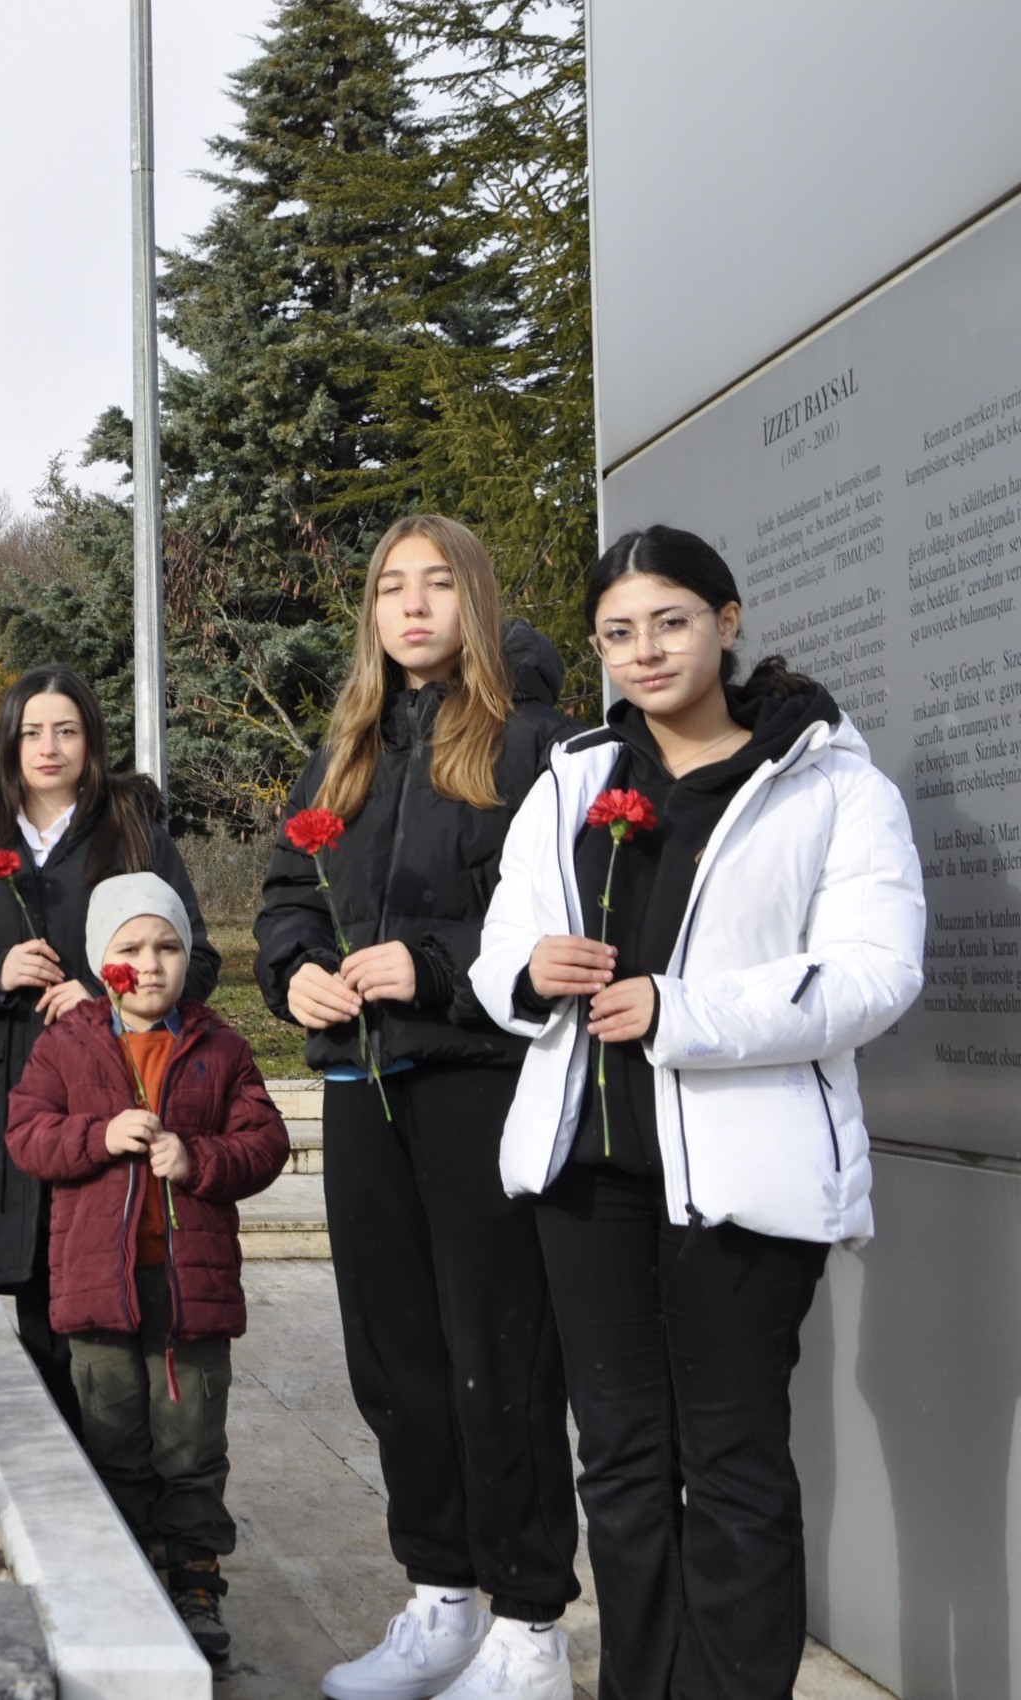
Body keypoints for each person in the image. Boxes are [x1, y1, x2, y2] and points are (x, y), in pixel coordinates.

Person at [472, 525, 924, 1699]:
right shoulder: (573, 779)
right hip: (588, 1172)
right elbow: (497, 951)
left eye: (670, 620)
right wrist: (531, 975)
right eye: (618, 632)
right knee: (619, 1465)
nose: (645, 649)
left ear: (728, 619)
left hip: (748, 1177)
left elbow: (875, 973)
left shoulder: (830, 783)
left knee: (729, 1462)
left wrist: (681, 1010)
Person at [253, 515, 585, 1699]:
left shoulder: (533, 745)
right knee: (392, 1350)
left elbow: (550, 913)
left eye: (436, 583)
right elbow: (289, 889)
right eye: (390, 585)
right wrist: (289, 962)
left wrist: (429, 963)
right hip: (357, 1081)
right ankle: (441, 1593)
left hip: (473, 1079)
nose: (411, 604)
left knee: (494, 1347)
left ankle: (531, 1619)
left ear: (474, 601)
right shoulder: (344, 745)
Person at [0, 664, 220, 1431]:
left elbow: (197, 961)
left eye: (66, 730)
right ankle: (77, 1489)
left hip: (118, 1095)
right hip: (13, 1101)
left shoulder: (135, 833)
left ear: (90, 740)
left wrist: (109, 991)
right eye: (32, 731)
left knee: (112, 1287)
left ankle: (131, 1490)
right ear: (10, 743)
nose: (49, 746)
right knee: (39, 1297)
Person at [5, 873, 290, 1667]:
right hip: (99, 1291)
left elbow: (265, 1143)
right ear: (102, 963)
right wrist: (99, 1136)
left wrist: (195, 1157)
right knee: (113, 1435)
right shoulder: (67, 1047)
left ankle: (196, 1576)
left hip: (189, 1291)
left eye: (167, 946)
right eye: (130, 948)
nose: (151, 963)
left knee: (191, 1441)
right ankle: (125, 1568)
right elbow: (28, 1136)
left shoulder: (220, 1047)